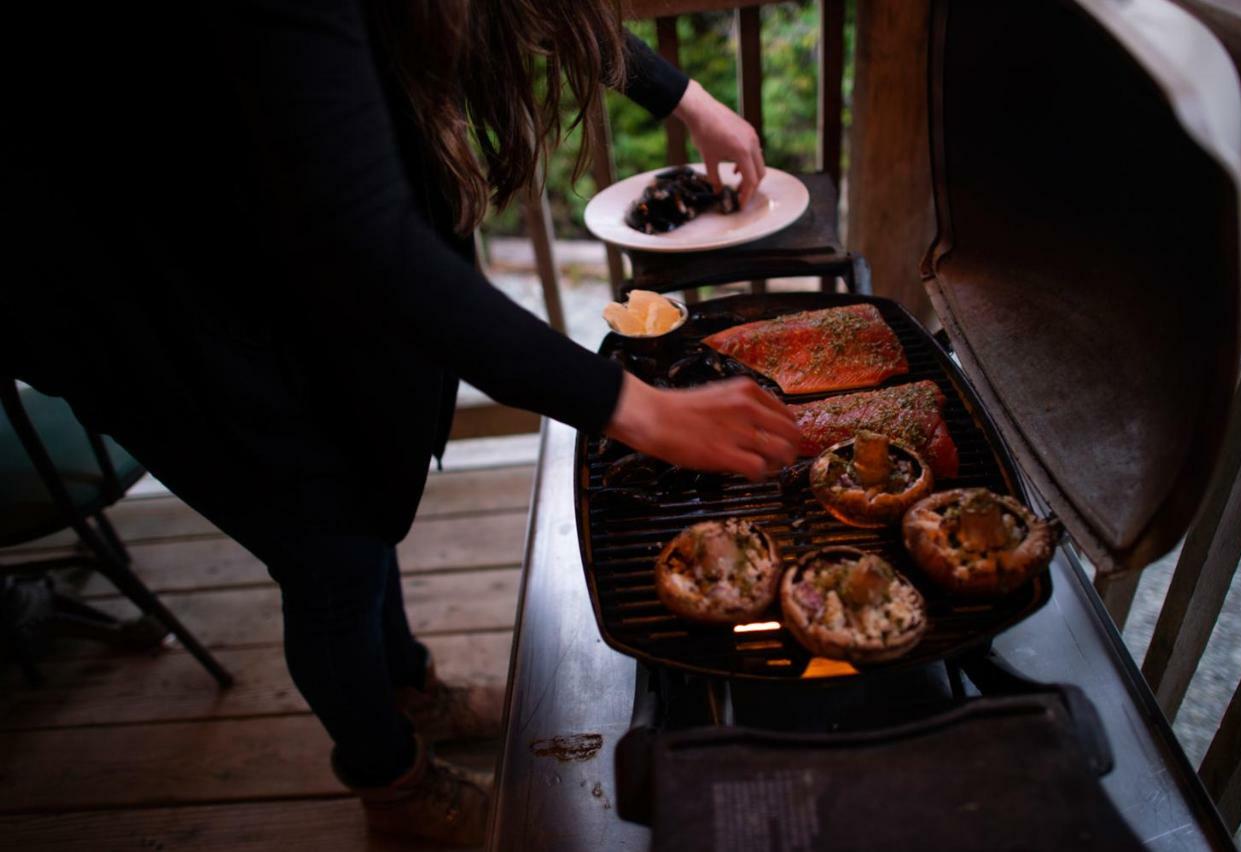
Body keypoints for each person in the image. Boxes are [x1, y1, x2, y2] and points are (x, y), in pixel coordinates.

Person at [5, 1, 800, 845]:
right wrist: (636, 409)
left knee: (362, 477)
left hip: (262, 217)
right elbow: (364, 244)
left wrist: (684, 99)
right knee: (328, 549)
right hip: (148, 276)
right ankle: (393, 784)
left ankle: (405, 683)